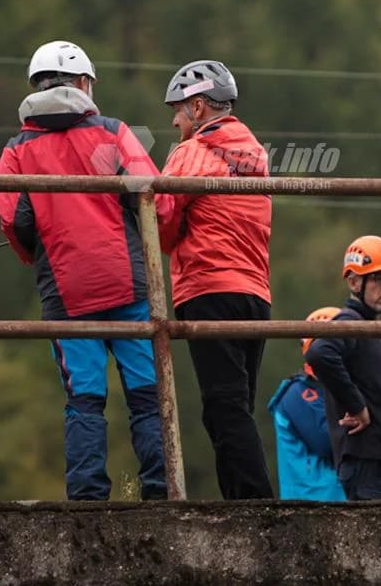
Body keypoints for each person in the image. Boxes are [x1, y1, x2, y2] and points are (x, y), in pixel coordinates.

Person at [0, 40, 168, 501]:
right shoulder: (113, 133)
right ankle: (161, 491)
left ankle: (88, 500)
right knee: (149, 397)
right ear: (85, 83)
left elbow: (14, 219)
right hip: (128, 283)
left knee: (85, 400)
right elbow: (153, 196)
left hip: (66, 293)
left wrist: (34, 253)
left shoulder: (17, 148)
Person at [156, 59, 274, 499]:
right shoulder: (255, 154)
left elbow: (163, 219)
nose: (174, 120)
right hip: (255, 294)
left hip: (208, 288)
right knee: (235, 406)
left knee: (224, 408)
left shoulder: (191, 153)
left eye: (179, 109)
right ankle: (243, 502)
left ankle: (255, 506)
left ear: (200, 107)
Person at [304, 236, 381, 500]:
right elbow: (320, 352)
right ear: (354, 282)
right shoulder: (350, 321)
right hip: (372, 465)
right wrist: (357, 406)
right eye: (379, 278)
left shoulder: (365, 327)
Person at [266, 307, 346, 502]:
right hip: (313, 503)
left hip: (336, 498)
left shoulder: (331, 390)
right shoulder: (298, 394)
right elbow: (328, 442)